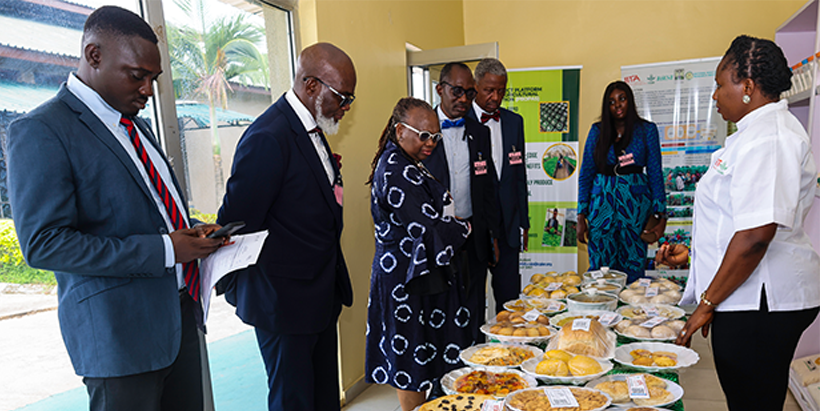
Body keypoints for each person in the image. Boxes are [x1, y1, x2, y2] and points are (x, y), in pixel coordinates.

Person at [6, 6, 225, 411]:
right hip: (119, 340)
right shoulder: (42, 130)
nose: (147, 90)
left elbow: (148, 212)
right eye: (137, 75)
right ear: (93, 56)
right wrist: (166, 249)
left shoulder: (137, 126)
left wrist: (192, 232)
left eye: (153, 80)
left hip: (180, 320)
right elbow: (45, 244)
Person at [671, 35, 820, 411]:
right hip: (749, 296)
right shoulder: (751, 136)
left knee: (752, 402)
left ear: (748, 87)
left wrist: (706, 303)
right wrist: (694, 254)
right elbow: (737, 219)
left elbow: (756, 236)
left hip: (762, 302)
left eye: (721, 85)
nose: (715, 96)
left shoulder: (770, 138)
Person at [216, 42, 355, 411]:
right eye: (342, 98)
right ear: (311, 87)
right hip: (283, 303)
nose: (345, 108)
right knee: (293, 402)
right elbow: (238, 222)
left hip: (320, 296)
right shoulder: (269, 137)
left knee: (324, 398)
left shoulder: (313, 130)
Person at [365, 97, 473, 411]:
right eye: (424, 135)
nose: (431, 143)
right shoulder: (396, 169)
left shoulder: (407, 161)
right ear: (400, 131)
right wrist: (462, 228)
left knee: (424, 354)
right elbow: (427, 228)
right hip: (404, 281)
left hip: (421, 274)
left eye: (435, 137)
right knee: (411, 361)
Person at [423, 62, 500, 342]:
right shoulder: (421, 131)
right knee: (439, 308)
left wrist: (492, 234)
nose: (464, 99)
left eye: (469, 93)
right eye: (457, 91)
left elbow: (488, 187)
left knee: (473, 305)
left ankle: (474, 368)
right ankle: (441, 376)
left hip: (473, 235)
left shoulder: (480, 132)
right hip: (435, 237)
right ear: (439, 89)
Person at [577, 80, 666, 282]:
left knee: (633, 266)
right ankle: (600, 311)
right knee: (600, 269)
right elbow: (586, 174)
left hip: (634, 209)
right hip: (601, 208)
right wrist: (581, 215)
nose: (617, 105)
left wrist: (661, 215)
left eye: (622, 99)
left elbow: (655, 172)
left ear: (630, 100)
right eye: (611, 102)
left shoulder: (646, 130)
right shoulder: (597, 131)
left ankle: (631, 310)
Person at [468, 58, 529, 313]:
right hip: (474, 229)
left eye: (501, 91)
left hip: (508, 227)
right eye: (489, 90)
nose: (496, 97)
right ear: (475, 86)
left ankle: (512, 350)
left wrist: (523, 222)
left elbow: (519, 176)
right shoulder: (460, 120)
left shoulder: (515, 122)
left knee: (509, 302)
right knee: (472, 301)